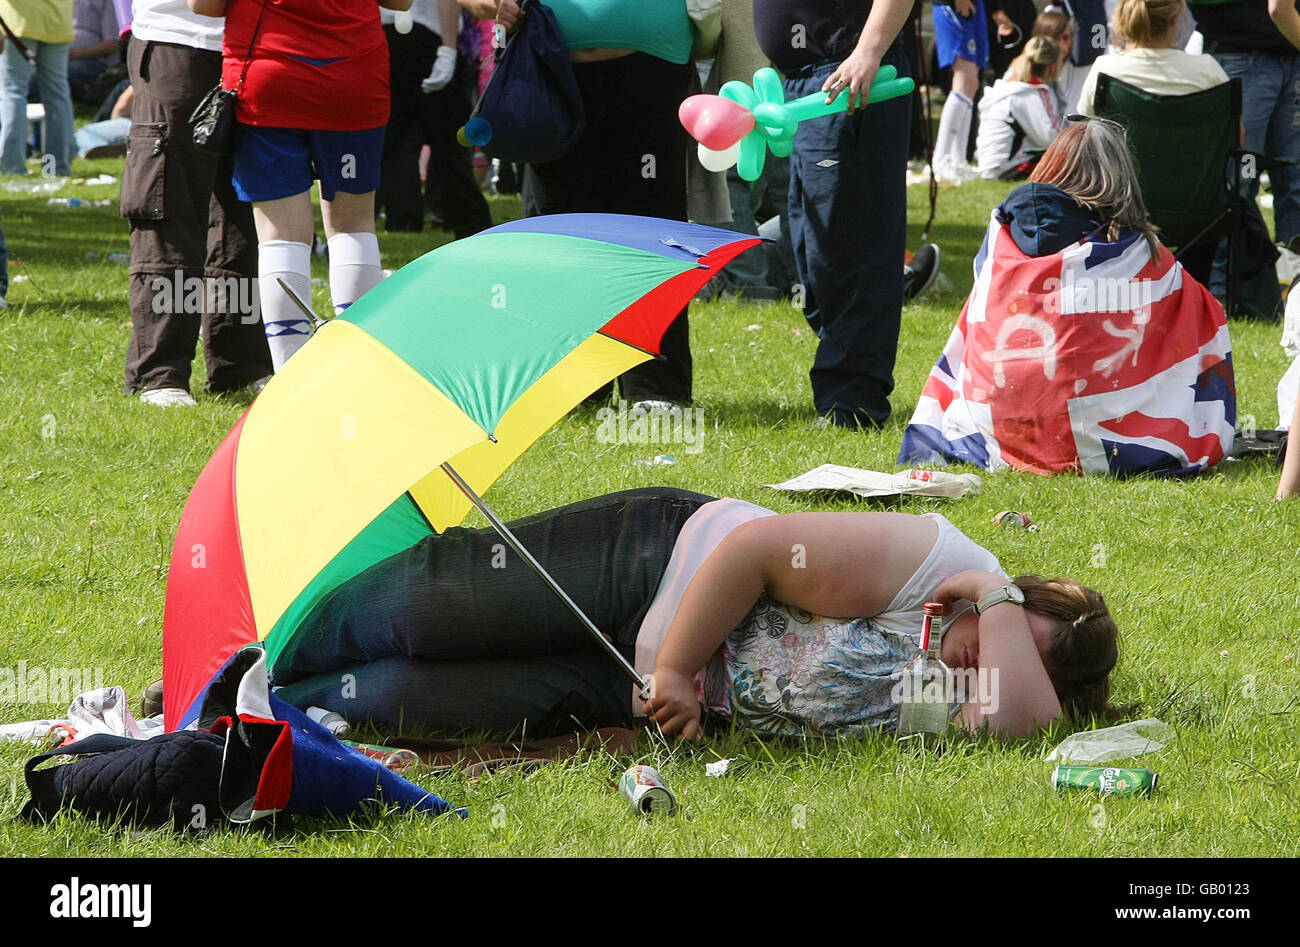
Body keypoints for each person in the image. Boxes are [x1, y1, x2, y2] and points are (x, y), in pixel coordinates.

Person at [270, 487, 1120, 740]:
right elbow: (756, 553)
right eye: (995, 640)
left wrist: (1001, 614)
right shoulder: (939, 562)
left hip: (641, 695)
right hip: (658, 563)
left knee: (404, 701)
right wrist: (675, 664)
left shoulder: (967, 687)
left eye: (1013, 660)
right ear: (1016, 581)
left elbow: (1017, 725)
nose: (981, 663)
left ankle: (261, 708)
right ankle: (259, 658)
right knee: (430, 609)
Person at [899, 118, 1236, 475]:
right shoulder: (1138, 251)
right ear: (1123, 179)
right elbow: (1202, 316)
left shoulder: (1001, 234)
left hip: (996, 424)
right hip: (1112, 436)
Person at [475, 0, 697, 407]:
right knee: (562, 237)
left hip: (653, 67)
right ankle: (574, 388)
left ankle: (655, 387)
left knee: (653, 233)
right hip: (549, 69)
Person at [190, 0, 410, 373]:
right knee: (354, 226)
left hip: (269, 78)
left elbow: (204, 6)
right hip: (352, 78)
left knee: (280, 238)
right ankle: (357, 371)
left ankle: (290, 378)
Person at [747, 0, 913, 430]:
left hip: (849, 77)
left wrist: (868, 50)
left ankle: (853, 403)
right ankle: (847, 388)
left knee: (850, 245)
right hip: (807, 83)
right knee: (812, 244)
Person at [122, 0, 272, 406]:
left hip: (260, 47)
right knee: (171, 207)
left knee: (245, 217)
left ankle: (241, 364)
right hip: (180, 41)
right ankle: (161, 373)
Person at [1189, 0, 1300, 253]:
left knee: (1247, 181)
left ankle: (1251, 280)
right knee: (1240, 182)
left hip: (1276, 54)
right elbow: (1279, 9)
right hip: (1241, 55)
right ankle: (1230, 282)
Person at [1076, 0, 1228, 115]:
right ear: (1175, 20)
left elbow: (1085, 125)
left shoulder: (1104, 69)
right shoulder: (1207, 69)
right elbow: (1234, 136)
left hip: (1123, 157)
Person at [0, 0, 76, 176]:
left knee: (13, 94)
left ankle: (13, 168)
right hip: (58, 24)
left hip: (18, 23)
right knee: (57, 97)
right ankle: (55, 169)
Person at [975, 35, 1062, 179]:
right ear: (1053, 66)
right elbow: (1050, 138)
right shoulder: (1030, 93)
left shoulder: (1006, 85)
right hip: (1006, 169)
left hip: (989, 166)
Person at [932, 0, 987, 181]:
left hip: (976, 6)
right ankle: (941, 160)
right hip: (952, 6)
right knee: (964, 80)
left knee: (971, 84)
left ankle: (959, 160)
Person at [68, 0, 122, 103]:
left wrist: (75, 54)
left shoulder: (109, 3)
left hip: (96, 62)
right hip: (62, 55)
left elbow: (113, 45)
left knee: (64, 71)